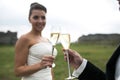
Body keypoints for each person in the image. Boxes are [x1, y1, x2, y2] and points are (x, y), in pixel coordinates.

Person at [14, 2, 57, 80]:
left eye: (43, 17)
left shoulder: (47, 40)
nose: (40, 21)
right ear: (29, 19)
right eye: (36, 17)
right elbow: (18, 71)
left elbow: (49, 69)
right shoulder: (24, 39)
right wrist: (40, 65)